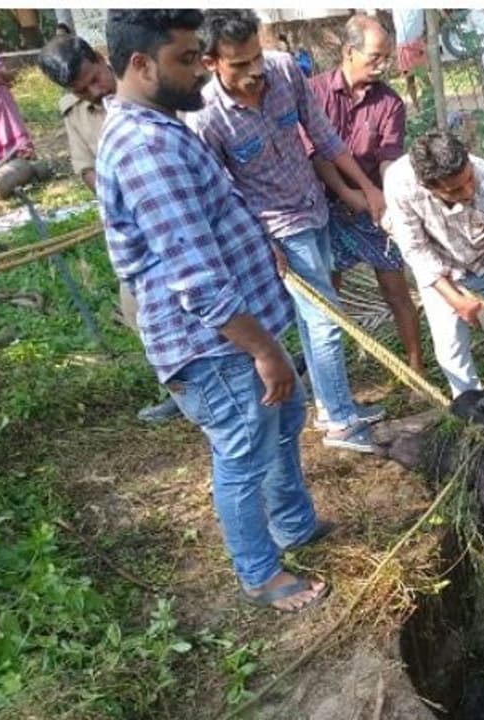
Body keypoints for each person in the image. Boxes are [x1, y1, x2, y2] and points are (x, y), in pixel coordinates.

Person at [98, 9, 329, 613]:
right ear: (140, 65)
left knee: (282, 426)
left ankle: (295, 528)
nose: (201, 67)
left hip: (237, 336)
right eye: (184, 58)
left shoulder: (166, 127)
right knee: (244, 452)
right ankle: (260, 573)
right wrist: (264, 350)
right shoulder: (148, 148)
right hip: (213, 346)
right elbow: (196, 279)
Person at [187, 10, 388, 453]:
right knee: (327, 320)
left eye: (256, 56)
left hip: (314, 207)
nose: (254, 71)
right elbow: (222, 192)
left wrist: (367, 187)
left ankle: (333, 407)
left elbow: (324, 134)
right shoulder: (205, 119)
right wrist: (265, 242)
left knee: (314, 318)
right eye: (239, 64)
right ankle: (339, 421)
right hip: (278, 227)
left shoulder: (282, 70)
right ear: (210, 64)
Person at [37, 33, 183, 425]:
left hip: (182, 216)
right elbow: (83, 165)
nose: (93, 90)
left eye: (94, 78)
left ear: (101, 58)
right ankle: (182, 393)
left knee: (209, 296)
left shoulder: (147, 84)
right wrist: (118, 190)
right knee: (139, 311)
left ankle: (267, 364)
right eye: (80, 89)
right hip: (133, 228)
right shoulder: (76, 112)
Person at [307, 13, 424, 375]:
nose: (383, 66)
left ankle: (416, 367)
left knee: (395, 288)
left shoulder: (390, 104)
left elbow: (389, 159)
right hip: (322, 206)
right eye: (375, 57)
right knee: (327, 297)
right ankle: (331, 376)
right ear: (348, 51)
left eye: (387, 57)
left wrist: (383, 201)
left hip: (369, 207)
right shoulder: (314, 92)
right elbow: (314, 151)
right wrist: (347, 191)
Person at [384, 130, 484, 397]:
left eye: (469, 179)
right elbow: (415, 249)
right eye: (455, 190)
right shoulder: (401, 183)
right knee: (450, 347)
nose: (468, 191)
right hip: (440, 265)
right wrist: (455, 300)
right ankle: (474, 416)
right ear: (428, 187)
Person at [392, 9, 426, 111]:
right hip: (403, 44)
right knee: (410, 79)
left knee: (424, 76)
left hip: (417, 41)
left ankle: (430, 102)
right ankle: (417, 107)